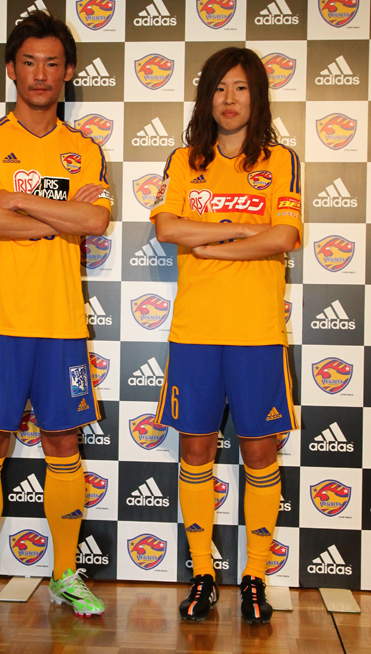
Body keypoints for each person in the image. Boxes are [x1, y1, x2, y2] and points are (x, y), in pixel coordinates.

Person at [0, 10, 110, 623]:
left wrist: (18, 200)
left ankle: (65, 574)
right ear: (12, 70)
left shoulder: (84, 148)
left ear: (68, 71)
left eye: (53, 63)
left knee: (64, 442)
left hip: (61, 323)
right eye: (30, 62)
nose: (41, 74)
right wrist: (57, 215)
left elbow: (95, 222)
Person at [150, 47, 301, 624]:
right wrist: (240, 228)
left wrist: (210, 242)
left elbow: (283, 237)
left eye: (240, 88)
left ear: (257, 96)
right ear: (205, 97)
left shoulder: (280, 160)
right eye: (219, 88)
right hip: (195, 331)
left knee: (259, 452)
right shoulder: (185, 160)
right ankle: (203, 574)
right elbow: (167, 229)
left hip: (257, 332)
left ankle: (256, 575)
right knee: (196, 451)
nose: (229, 99)